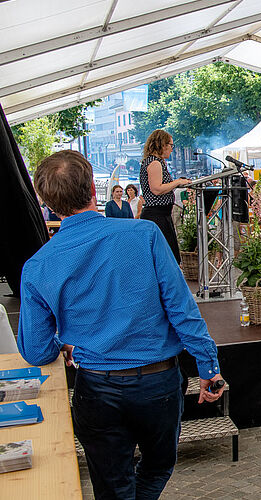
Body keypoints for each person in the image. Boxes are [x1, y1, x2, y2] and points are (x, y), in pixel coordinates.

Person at [19, 150, 224, 499]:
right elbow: (182, 309)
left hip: (97, 388)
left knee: (112, 486)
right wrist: (209, 367)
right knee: (158, 467)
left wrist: (65, 344)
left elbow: (37, 351)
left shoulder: (38, 266)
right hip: (158, 383)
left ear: (48, 202)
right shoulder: (144, 234)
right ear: (93, 191)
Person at [140, 130, 191, 263]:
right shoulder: (155, 163)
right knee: (164, 258)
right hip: (157, 215)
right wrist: (177, 182)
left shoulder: (156, 162)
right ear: (162, 144)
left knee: (166, 256)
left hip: (161, 214)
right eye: (171, 145)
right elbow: (156, 189)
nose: (171, 149)